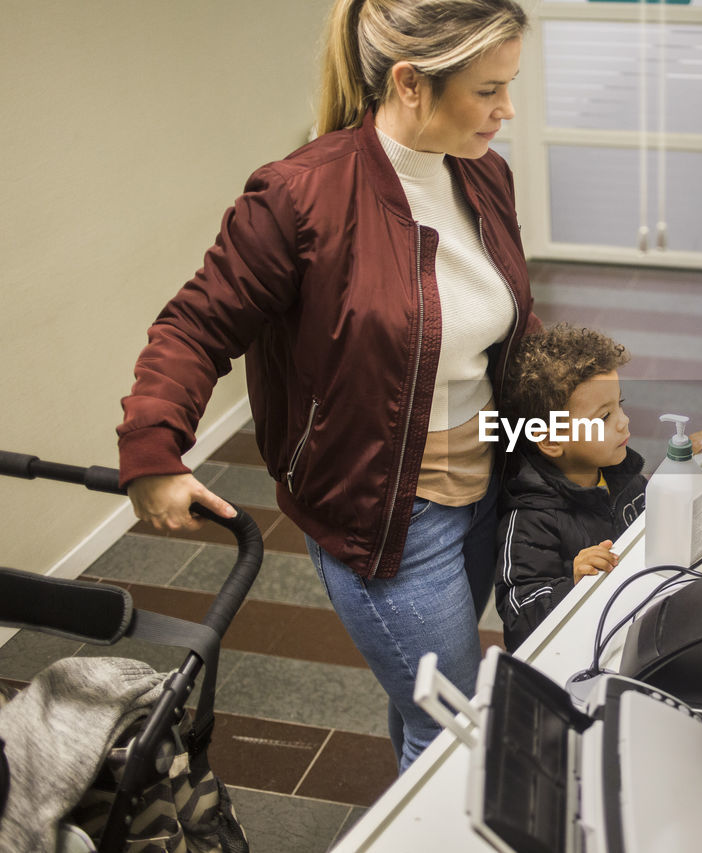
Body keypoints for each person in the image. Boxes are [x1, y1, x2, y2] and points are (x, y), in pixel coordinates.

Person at [116, 0, 538, 772]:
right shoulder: (300, 196)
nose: (507, 111)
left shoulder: (484, 176)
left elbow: (511, 334)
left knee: (421, 697)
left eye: (509, 86)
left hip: (487, 486)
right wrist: (153, 449)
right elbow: (195, 326)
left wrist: (575, 430)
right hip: (385, 515)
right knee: (452, 730)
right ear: (411, 84)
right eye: (488, 91)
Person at [494, 324, 647, 650]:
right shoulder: (530, 518)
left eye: (619, 404)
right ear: (550, 439)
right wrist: (573, 584)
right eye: (604, 416)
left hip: (629, 624)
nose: (623, 420)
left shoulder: (623, 476)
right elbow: (517, 613)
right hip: (580, 653)